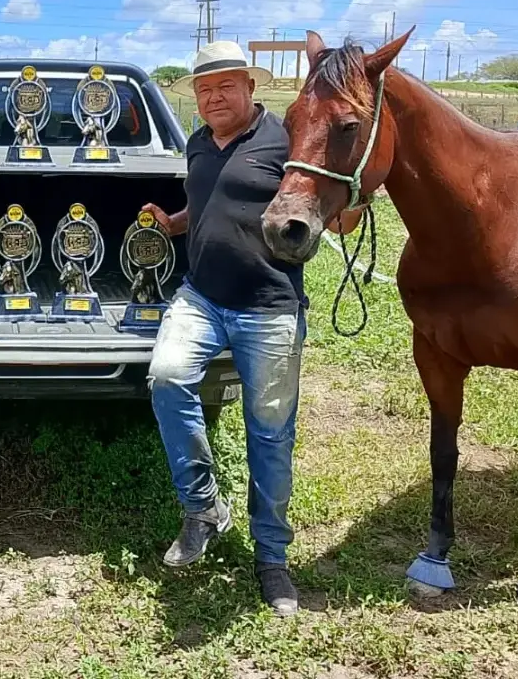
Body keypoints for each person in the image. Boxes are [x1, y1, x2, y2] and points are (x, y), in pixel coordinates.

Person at [146, 41, 365, 617]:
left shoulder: (284, 140)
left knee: (269, 436)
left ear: (250, 86)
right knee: (167, 379)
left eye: (225, 86)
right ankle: (204, 510)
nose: (214, 97)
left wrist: (359, 198)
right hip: (201, 295)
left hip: (269, 306)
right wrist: (174, 223)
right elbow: (209, 199)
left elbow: (328, 207)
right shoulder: (198, 141)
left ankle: (272, 558)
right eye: (203, 89)